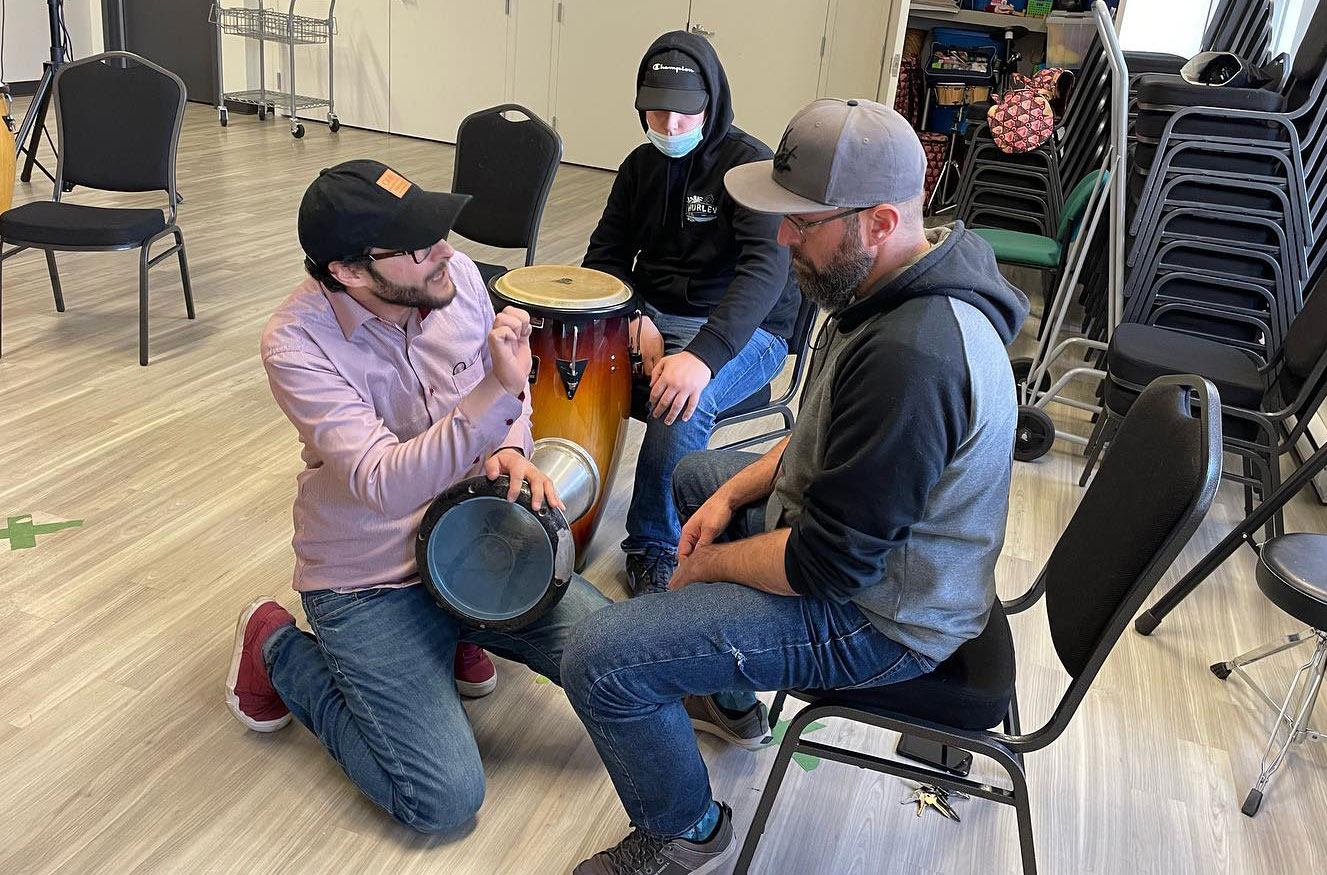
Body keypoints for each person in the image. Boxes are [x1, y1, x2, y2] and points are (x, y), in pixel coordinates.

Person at [562, 99, 1029, 875]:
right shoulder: (890, 278)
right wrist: (725, 497)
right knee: (694, 476)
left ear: (877, 221)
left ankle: (686, 828)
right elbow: (824, 433)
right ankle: (731, 698)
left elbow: (826, 568)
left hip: (885, 619)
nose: (781, 239)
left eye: (800, 223)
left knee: (598, 656)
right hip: (873, 556)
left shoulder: (913, 357)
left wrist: (702, 572)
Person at [225, 160, 612, 833]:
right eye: (414, 245)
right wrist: (497, 390)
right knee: (440, 801)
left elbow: (507, 400)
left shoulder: (453, 276)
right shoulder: (294, 343)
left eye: (436, 229)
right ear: (347, 270)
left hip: (472, 539)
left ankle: (449, 632)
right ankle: (275, 647)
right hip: (368, 577)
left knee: (613, 651)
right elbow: (382, 480)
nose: (443, 252)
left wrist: (514, 444)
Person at [583, 30, 801, 598]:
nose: (672, 127)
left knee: (682, 398)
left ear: (712, 104)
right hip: (657, 310)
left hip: (744, 325)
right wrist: (633, 315)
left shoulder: (751, 167)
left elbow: (764, 274)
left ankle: (654, 546)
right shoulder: (639, 167)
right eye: (657, 113)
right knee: (572, 356)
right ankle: (563, 509)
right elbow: (604, 259)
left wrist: (701, 357)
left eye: (686, 114)